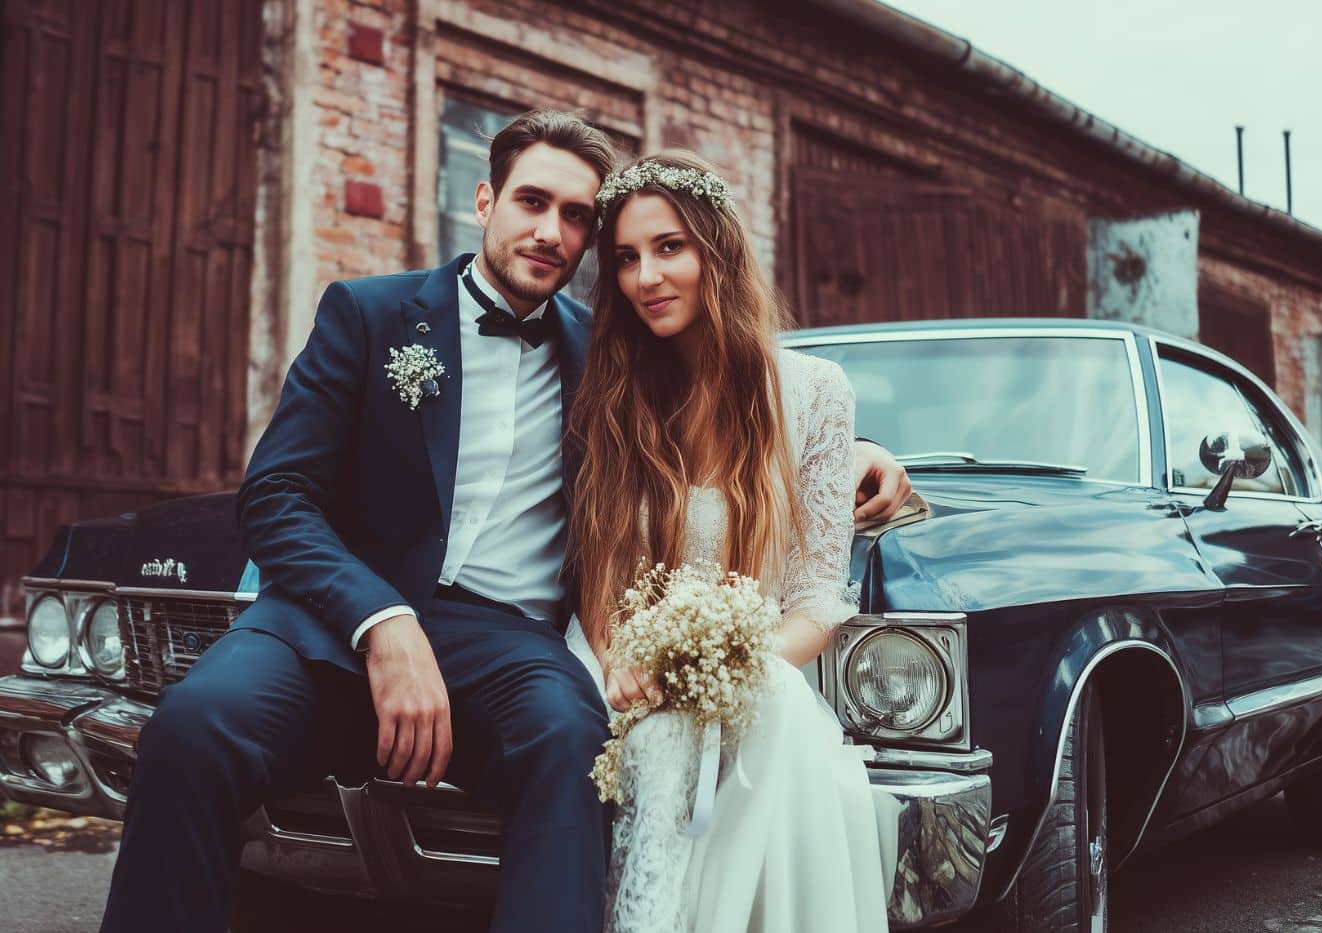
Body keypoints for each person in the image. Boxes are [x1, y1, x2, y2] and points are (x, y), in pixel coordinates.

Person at [99, 111, 909, 933]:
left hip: (506, 645)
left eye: (575, 217)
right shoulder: (367, 313)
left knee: (570, 747)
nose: (549, 231)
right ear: (484, 200)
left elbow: (737, 394)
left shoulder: (608, 353)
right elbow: (274, 497)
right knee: (191, 731)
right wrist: (383, 621)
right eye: (532, 201)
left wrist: (862, 450)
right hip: (329, 627)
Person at [566, 151, 889, 933]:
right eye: (627, 259)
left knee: (764, 716)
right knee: (660, 735)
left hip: (756, 666)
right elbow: (601, 575)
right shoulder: (614, 396)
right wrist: (625, 663)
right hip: (617, 658)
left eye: (670, 247)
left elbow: (816, 598)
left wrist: (714, 672)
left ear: (719, 248)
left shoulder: (814, 393)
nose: (647, 277)